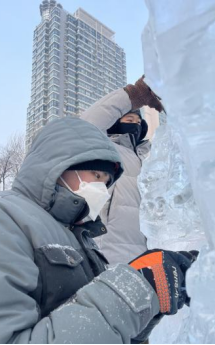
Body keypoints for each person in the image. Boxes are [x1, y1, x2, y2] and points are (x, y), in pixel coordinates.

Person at [0, 116, 197, 344]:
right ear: (60, 164)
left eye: (107, 182)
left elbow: (105, 331)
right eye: (97, 175)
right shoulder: (4, 218)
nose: (102, 188)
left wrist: (149, 299)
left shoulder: (83, 238)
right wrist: (131, 290)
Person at [81, 75, 165, 265]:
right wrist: (136, 94)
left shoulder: (150, 156)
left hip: (148, 255)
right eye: (128, 118)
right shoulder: (102, 149)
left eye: (138, 121)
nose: (134, 124)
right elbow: (85, 125)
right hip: (108, 251)